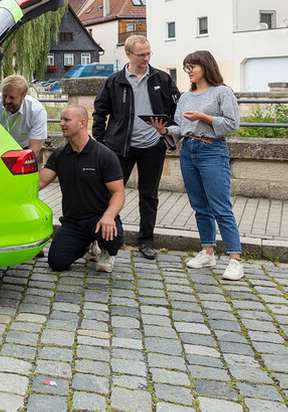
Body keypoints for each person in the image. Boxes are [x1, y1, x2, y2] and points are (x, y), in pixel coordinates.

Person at [149, 50, 243, 280]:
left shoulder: (222, 92)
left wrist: (205, 117)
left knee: (220, 206)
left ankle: (235, 259)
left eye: (193, 67)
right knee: (199, 205)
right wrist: (163, 130)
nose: (189, 71)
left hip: (212, 149)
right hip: (188, 150)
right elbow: (180, 129)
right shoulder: (185, 97)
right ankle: (207, 251)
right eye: (186, 67)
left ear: (206, 66)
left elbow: (232, 124)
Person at [92, 35, 180, 260]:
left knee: (149, 194)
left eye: (149, 53)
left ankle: (147, 240)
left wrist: (167, 131)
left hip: (153, 146)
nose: (146, 58)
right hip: (120, 147)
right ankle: (111, 237)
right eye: (141, 54)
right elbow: (100, 112)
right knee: (111, 192)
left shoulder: (162, 78)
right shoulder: (114, 81)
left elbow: (176, 109)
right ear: (128, 54)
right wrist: (100, 143)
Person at [39, 105, 126, 272]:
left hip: (99, 219)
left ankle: (107, 250)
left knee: (113, 236)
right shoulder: (59, 155)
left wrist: (109, 216)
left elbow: (118, 192)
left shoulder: (104, 155)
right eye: (61, 119)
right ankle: (88, 244)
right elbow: (40, 182)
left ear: (82, 123)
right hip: (73, 222)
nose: (61, 123)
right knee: (57, 262)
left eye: (66, 120)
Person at [0, 75, 48, 156]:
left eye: (11, 97)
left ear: (23, 96)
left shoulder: (37, 111)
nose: (7, 101)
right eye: (4, 96)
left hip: (23, 150)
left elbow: (34, 150)